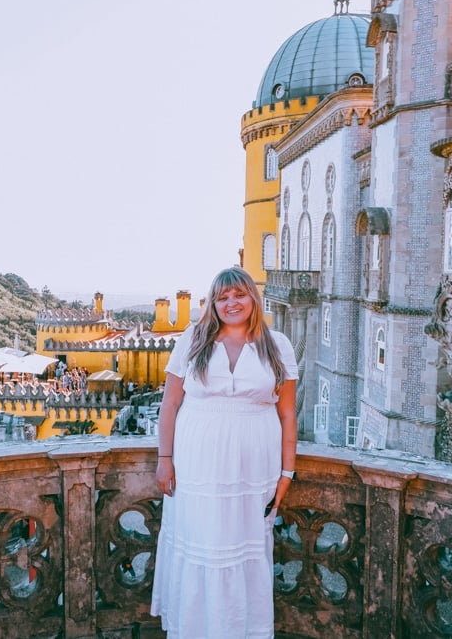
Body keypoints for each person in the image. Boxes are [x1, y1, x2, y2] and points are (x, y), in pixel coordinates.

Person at [150, 267, 298, 638]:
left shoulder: (277, 344)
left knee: (244, 545)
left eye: (239, 295)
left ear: (253, 298)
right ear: (213, 304)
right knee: (202, 540)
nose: (231, 303)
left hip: (254, 466)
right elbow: (169, 404)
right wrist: (164, 459)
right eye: (222, 297)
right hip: (196, 464)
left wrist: (287, 474)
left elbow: (287, 413)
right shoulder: (194, 339)